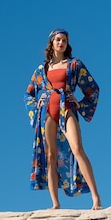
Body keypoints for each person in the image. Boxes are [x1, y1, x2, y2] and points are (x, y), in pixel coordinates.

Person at [24, 28, 102, 210]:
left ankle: (96, 198)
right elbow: (28, 94)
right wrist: (36, 105)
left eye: (64, 40)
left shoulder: (75, 64)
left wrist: (81, 104)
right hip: (47, 111)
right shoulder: (41, 69)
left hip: (66, 108)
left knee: (77, 148)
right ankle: (55, 203)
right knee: (49, 156)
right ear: (51, 43)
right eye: (58, 40)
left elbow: (93, 88)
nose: (61, 43)